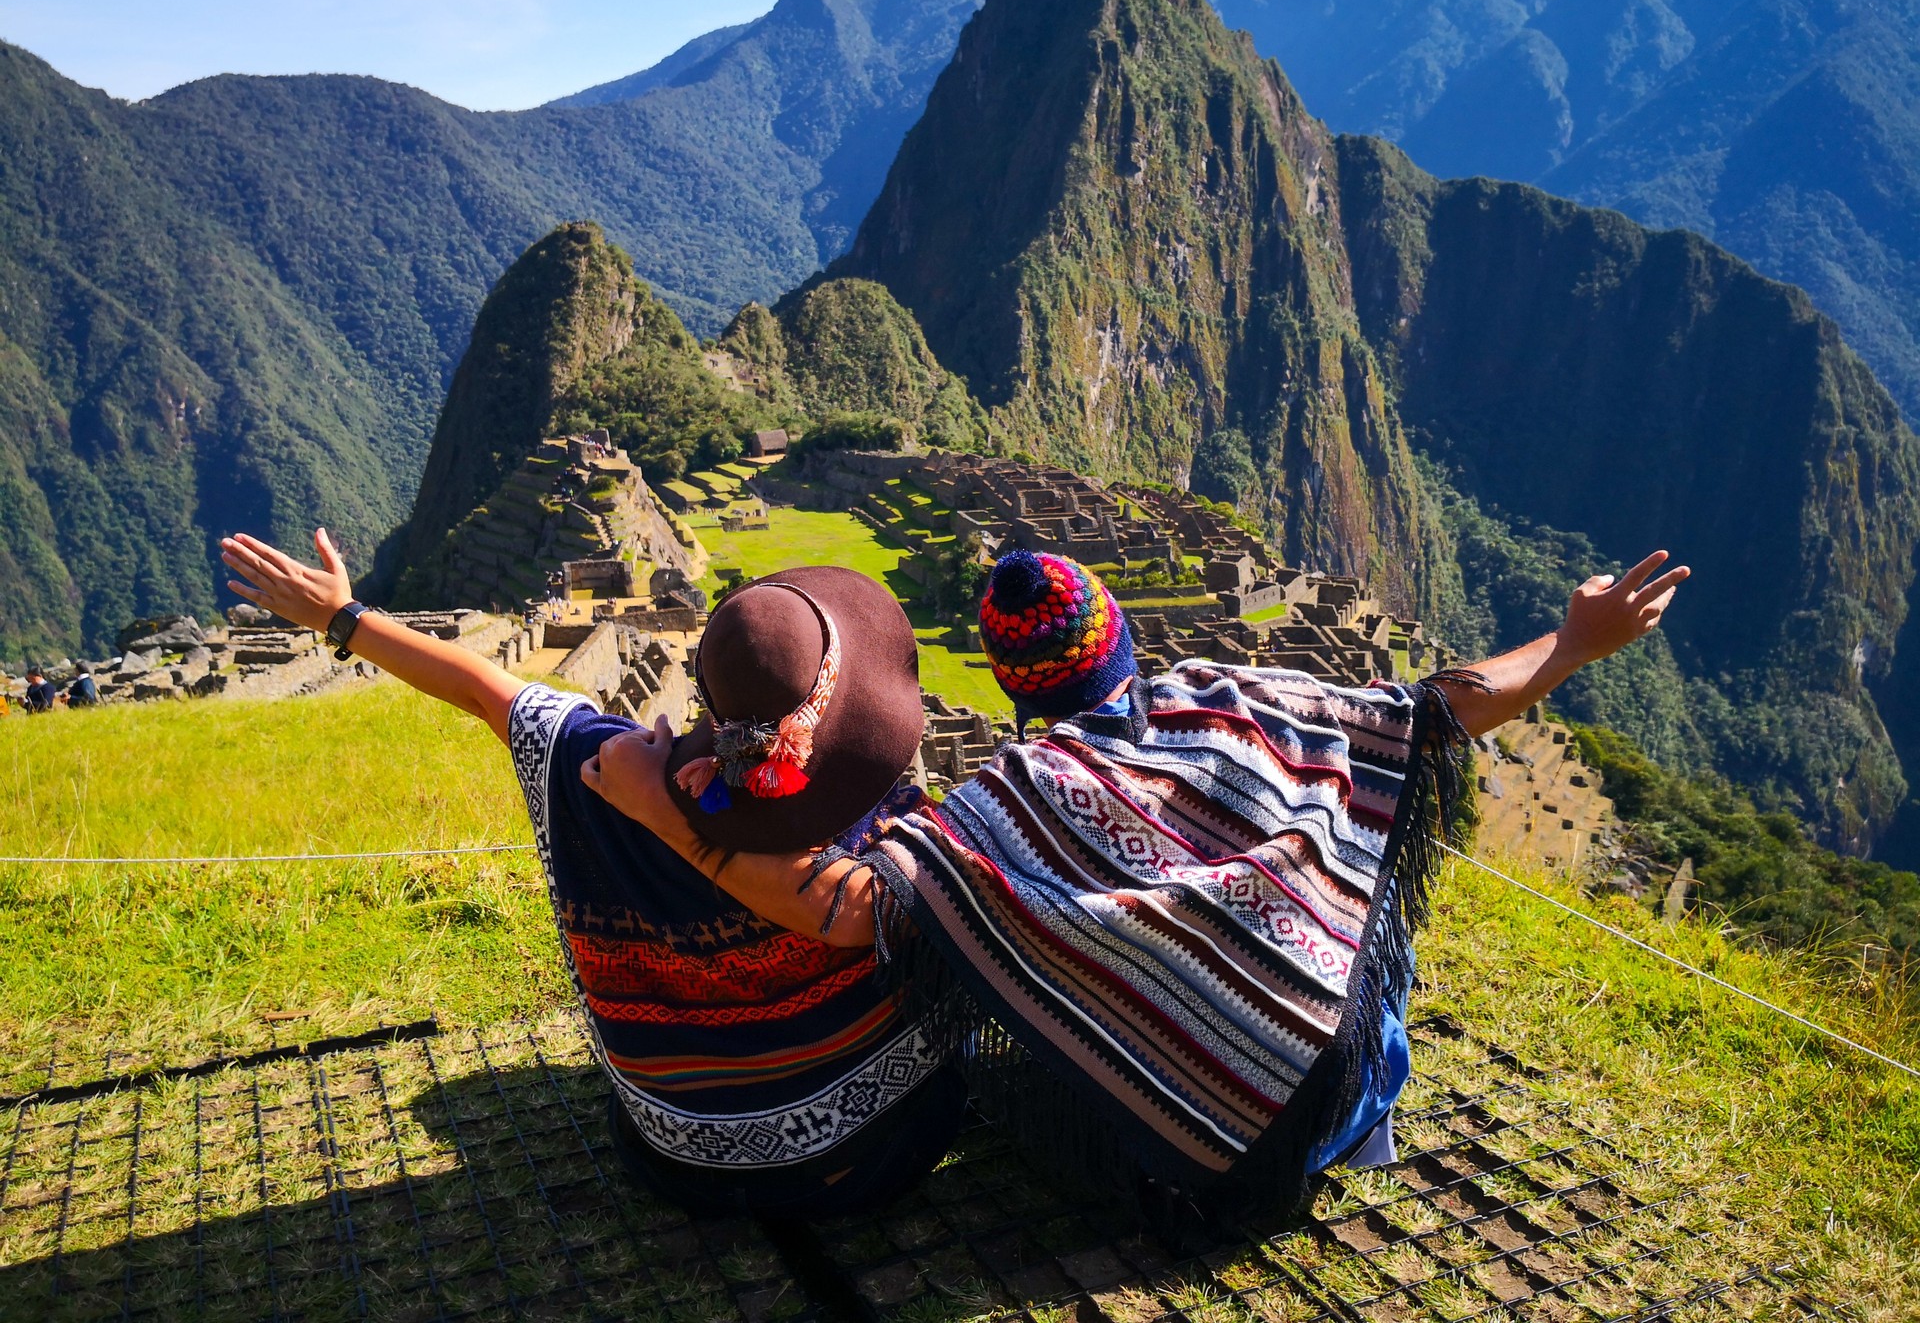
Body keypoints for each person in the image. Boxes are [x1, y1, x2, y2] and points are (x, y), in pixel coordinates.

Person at [591, 544, 1688, 1236]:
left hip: (1180, 1178)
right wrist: (1575, 643)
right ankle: (1340, 1106)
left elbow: (842, 906)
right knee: (1351, 897)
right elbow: (1442, 707)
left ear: (1015, 690)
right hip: (1314, 1108)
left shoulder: (1009, 803)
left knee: (999, 978)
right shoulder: (1244, 699)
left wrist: (658, 810)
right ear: (1121, 638)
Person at [219, 528, 967, 1218]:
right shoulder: (885, 828)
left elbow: (483, 689)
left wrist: (340, 617)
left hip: (683, 1160)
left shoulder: (600, 771)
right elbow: (858, 915)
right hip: (874, 1152)